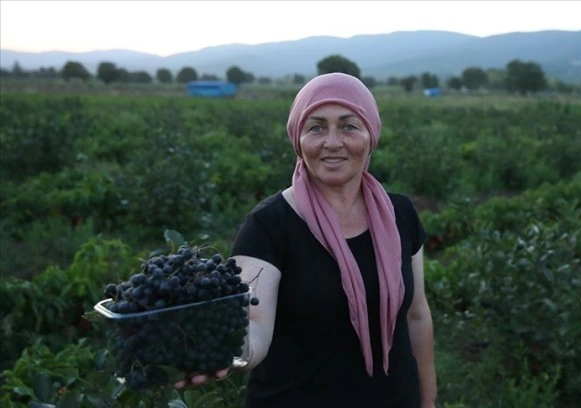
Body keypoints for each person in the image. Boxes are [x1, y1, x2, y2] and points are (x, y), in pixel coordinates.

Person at [176, 72, 437, 407]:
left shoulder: (399, 214)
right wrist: (220, 347)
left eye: (349, 126)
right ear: (297, 139)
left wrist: (428, 401)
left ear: (371, 134)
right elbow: (253, 323)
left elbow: (417, 314)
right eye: (316, 128)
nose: (332, 142)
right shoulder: (268, 226)